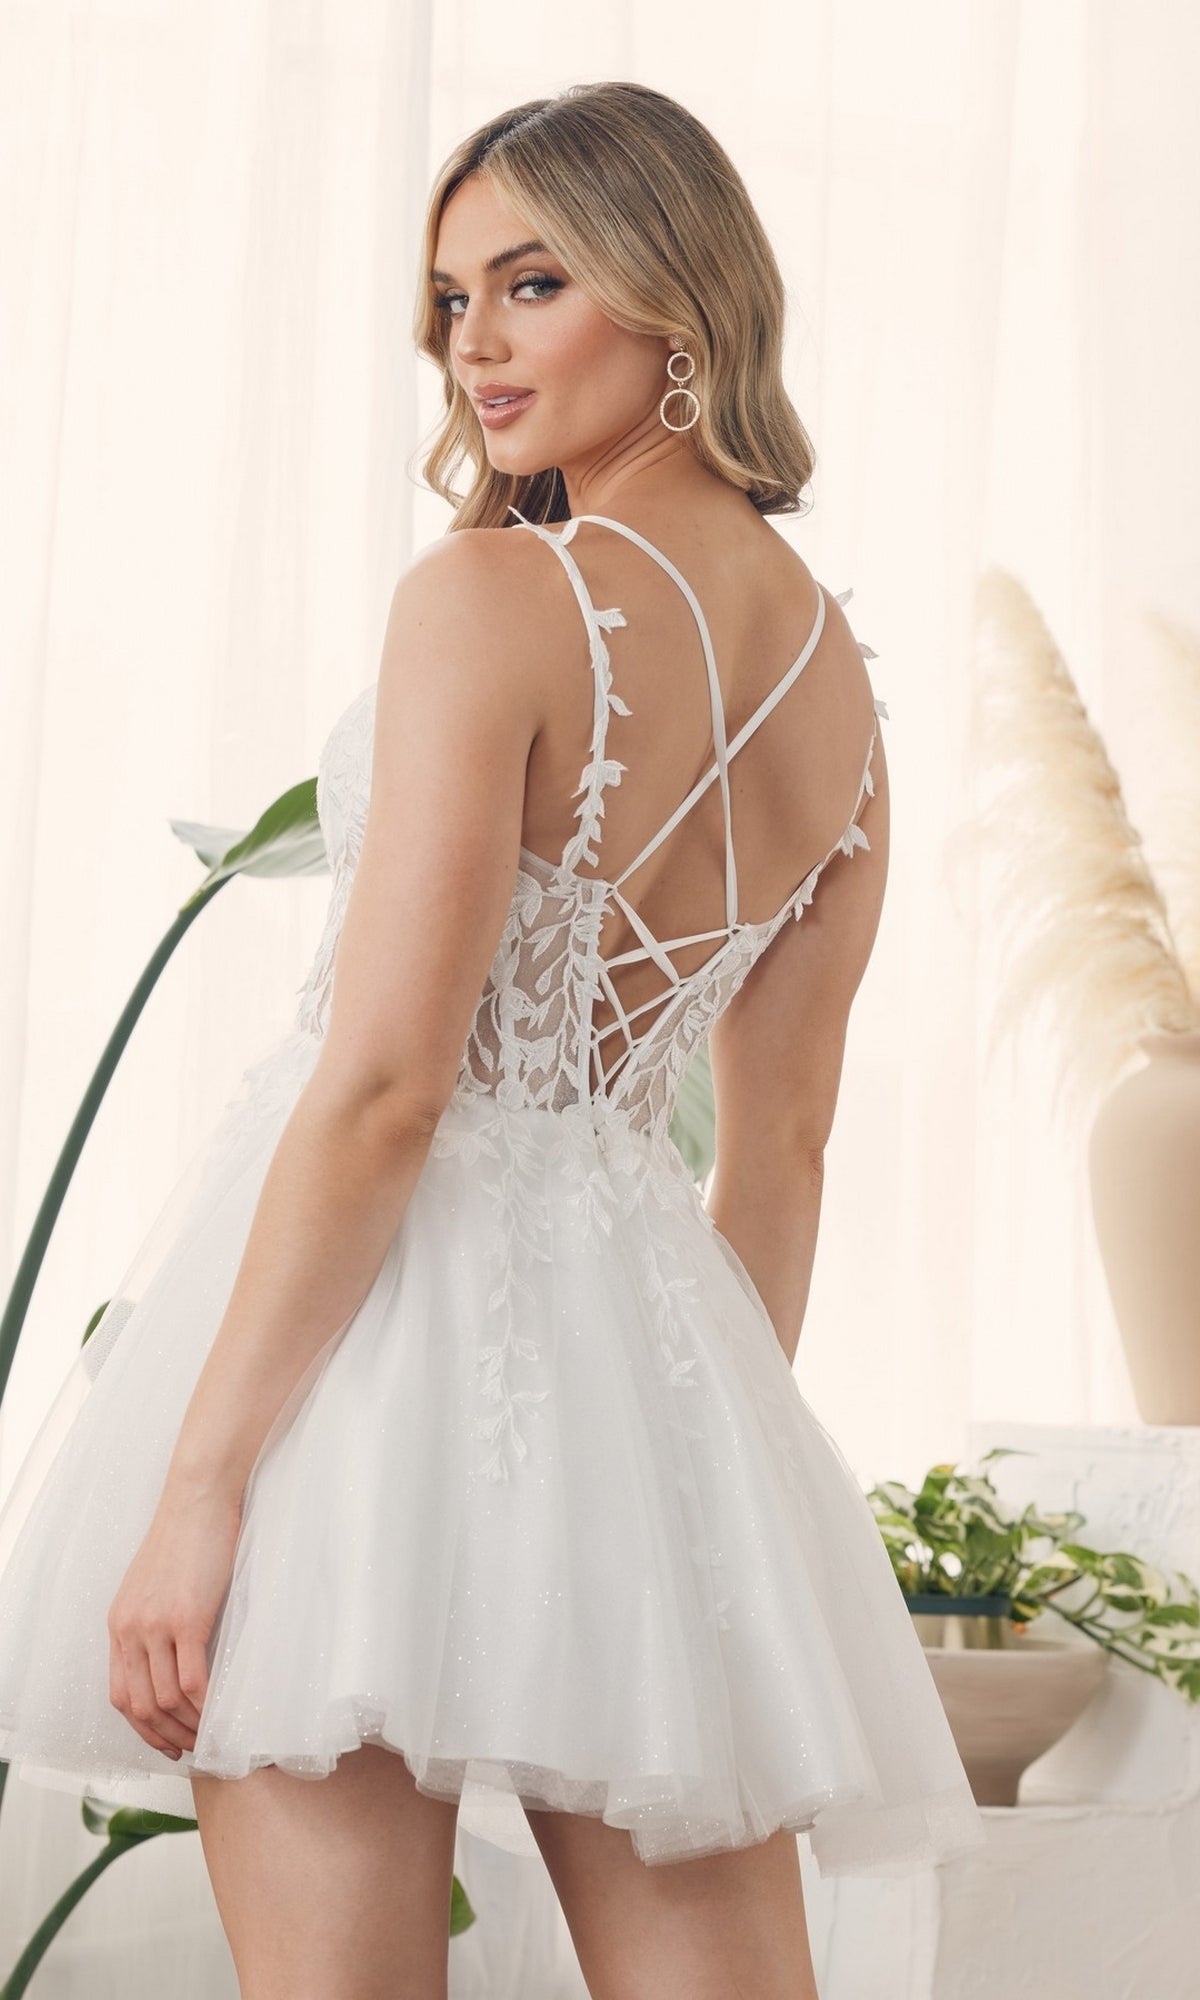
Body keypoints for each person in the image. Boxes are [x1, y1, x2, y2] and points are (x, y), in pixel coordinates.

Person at [0, 80, 983, 2000]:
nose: (476, 345)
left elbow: (386, 1091)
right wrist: (699, 1498)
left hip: (352, 1363)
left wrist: (199, 1488)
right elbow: (772, 1158)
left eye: (533, 283)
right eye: (451, 299)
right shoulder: (844, 692)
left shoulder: (491, 597)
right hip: (643, 1360)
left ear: (676, 293)